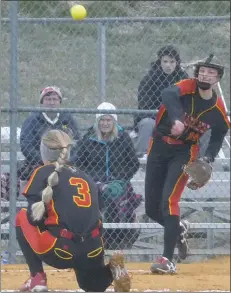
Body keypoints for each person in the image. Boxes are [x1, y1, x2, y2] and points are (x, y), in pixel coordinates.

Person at [15, 129, 131, 292]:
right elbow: (99, 211)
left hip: (59, 251)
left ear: (44, 151)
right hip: (93, 248)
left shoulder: (43, 172)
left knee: (20, 216)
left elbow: (33, 218)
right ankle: (111, 270)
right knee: (92, 286)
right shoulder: (86, 176)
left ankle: (37, 278)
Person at [145, 55, 230, 274]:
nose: (205, 74)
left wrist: (209, 158)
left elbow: (220, 133)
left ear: (218, 78)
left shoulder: (217, 108)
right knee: (152, 209)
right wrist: (176, 119)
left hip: (185, 152)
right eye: (203, 70)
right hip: (159, 146)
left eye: (211, 72)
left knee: (169, 201)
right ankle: (179, 228)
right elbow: (168, 94)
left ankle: (167, 260)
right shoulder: (186, 86)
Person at [72, 102, 142, 250]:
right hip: (94, 182)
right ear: (97, 121)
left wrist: (120, 179)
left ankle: (122, 235)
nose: (105, 123)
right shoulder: (88, 138)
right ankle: (101, 238)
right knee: (102, 196)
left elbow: (133, 164)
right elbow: (78, 163)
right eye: (102, 120)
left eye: (108, 120)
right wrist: (94, 179)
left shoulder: (123, 137)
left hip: (118, 181)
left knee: (117, 196)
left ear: (114, 121)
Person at [19, 86, 81, 193]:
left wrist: (66, 161)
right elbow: (26, 145)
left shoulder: (67, 118)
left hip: (65, 163)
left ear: (60, 102)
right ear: (41, 102)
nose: (52, 103)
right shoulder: (32, 120)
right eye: (48, 99)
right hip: (39, 163)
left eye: (55, 99)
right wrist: (45, 161)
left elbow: (77, 143)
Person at [131, 45, 189, 158]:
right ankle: (141, 158)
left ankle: (197, 159)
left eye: (172, 62)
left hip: (178, 119)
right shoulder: (149, 79)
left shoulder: (183, 79)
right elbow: (144, 106)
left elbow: (188, 103)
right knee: (147, 124)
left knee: (199, 124)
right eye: (165, 61)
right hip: (154, 117)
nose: (168, 65)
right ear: (160, 61)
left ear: (177, 62)